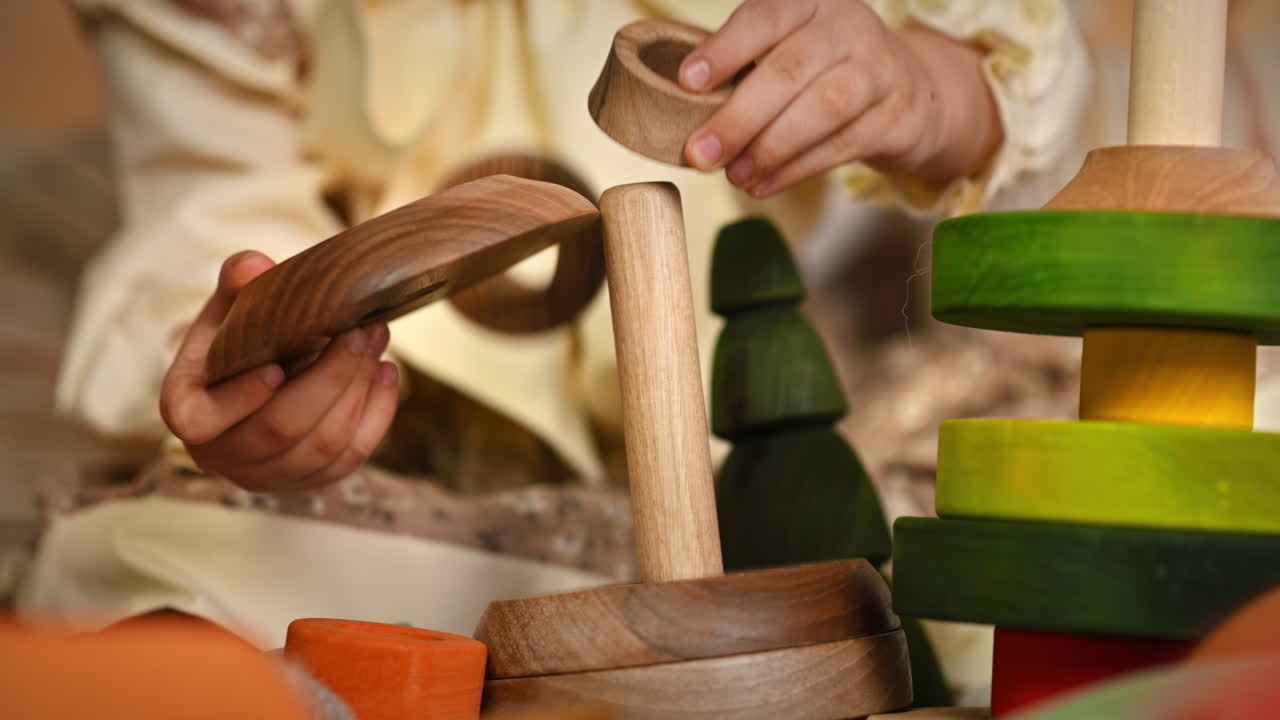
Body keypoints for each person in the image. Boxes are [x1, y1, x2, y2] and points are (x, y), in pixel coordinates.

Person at [24, 0, 1086, 695]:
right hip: (411, 463)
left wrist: (923, 85)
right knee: (126, 568)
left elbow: (1005, 89)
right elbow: (210, 222)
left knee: (987, 562)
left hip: (724, 454)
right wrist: (241, 389)